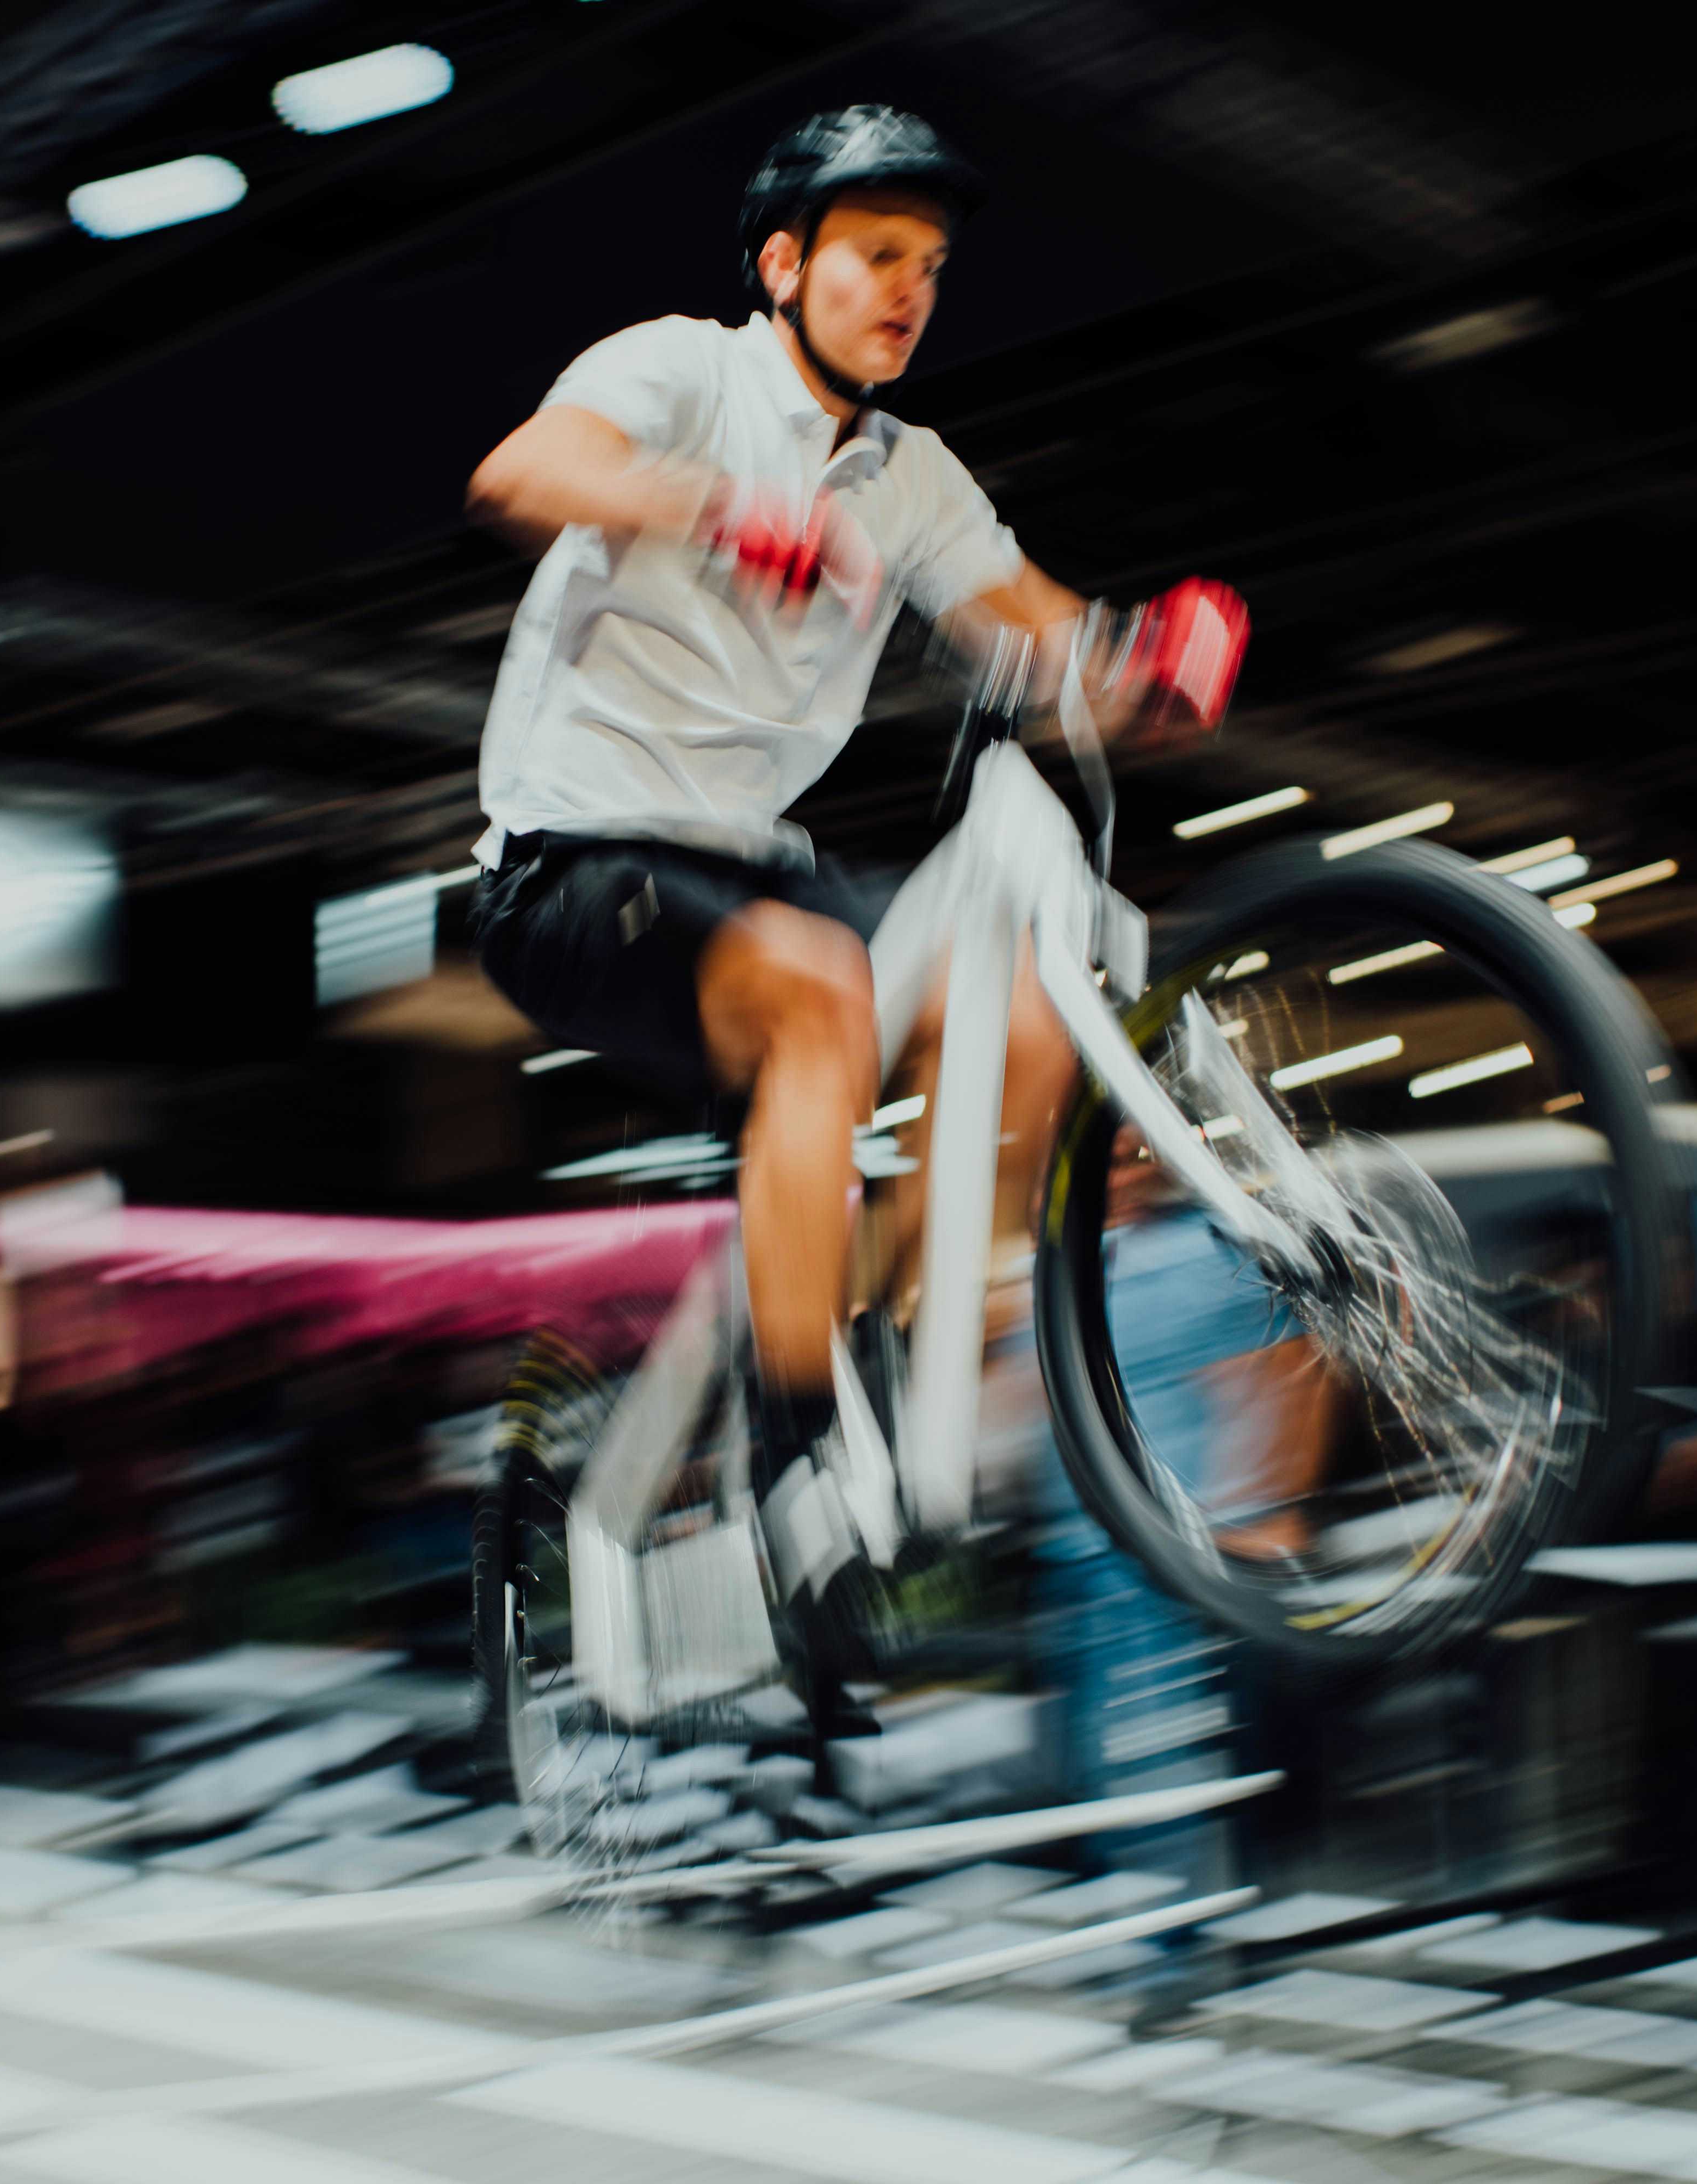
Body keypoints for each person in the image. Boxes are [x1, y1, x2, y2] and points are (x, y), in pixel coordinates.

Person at [463, 105, 1244, 1736]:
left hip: (750, 865)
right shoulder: (690, 369)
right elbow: (529, 469)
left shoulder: (914, 479)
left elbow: (1032, 627)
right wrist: (714, 506)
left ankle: (867, 1350)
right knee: (821, 991)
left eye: (932, 269)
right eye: (877, 257)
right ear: (784, 265)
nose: (909, 292)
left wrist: (1141, 653)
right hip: (573, 870)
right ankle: (806, 1448)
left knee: (1031, 1013)